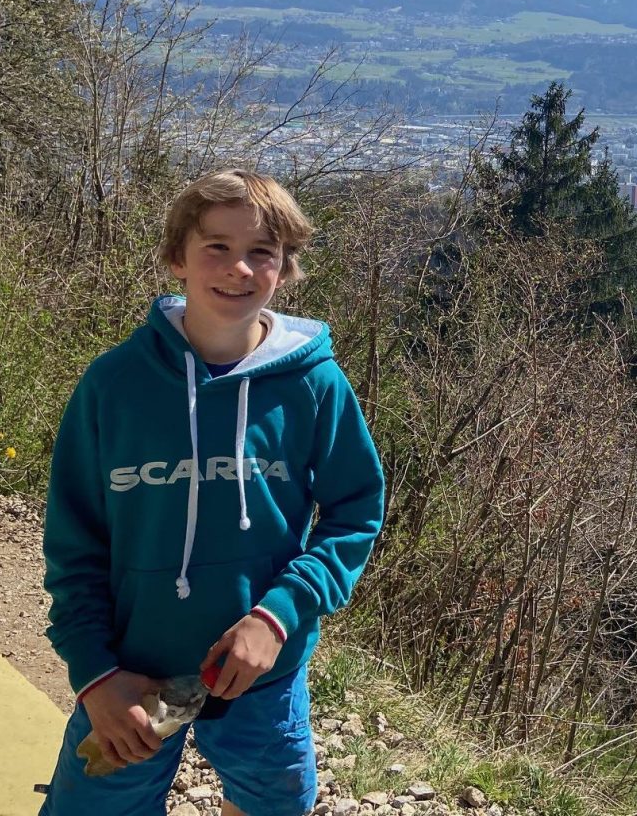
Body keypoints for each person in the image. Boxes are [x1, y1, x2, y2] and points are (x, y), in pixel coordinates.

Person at [38, 169, 385, 816]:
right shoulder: (113, 386)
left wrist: (279, 615)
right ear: (177, 257)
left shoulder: (314, 386)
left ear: (285, 268)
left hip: (260, 670)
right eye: (217, 246)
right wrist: (95, 674)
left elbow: (356, 511)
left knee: (273, 804)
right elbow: (74, 545)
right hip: (129, 672)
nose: (239, 268)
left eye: (262, 252)